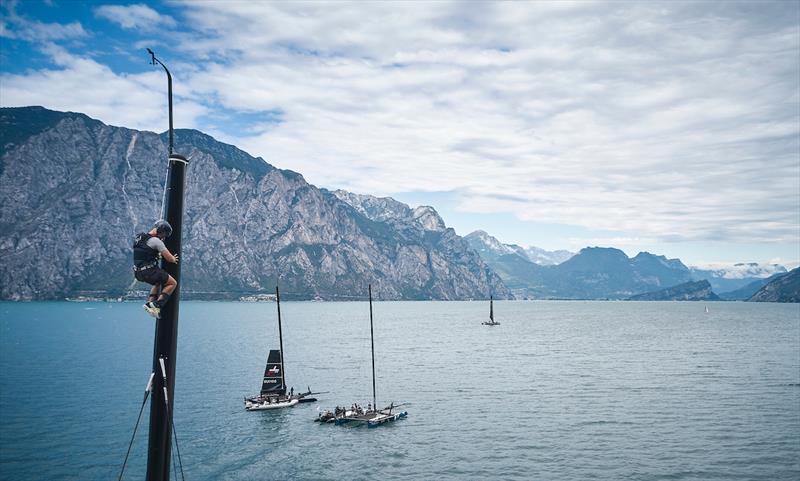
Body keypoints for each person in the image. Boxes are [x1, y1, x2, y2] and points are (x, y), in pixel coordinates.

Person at [133, 220, 179, 318]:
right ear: (161, 231)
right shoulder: (156, 241)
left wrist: (155, 255)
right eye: (164, 235)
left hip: (138, 272)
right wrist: (174, 258)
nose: (163, 238)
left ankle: (150, 304)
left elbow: (144, 253)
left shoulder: (140, 238)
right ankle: (157, 305)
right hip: (149, 271)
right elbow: (169, 258)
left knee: (158, 282)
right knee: (172, 283)